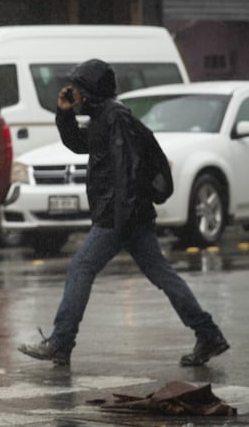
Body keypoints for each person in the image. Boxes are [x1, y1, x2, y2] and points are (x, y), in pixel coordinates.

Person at [18, 58, 229, 367]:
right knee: (162, 274)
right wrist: (64, 114)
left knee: (81, 268)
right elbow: (79, 145)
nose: (73, 92)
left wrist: (118, 219)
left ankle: (61, 342)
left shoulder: (115, 118)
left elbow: (124, 169)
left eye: (78, 88)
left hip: (121, 214)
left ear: (90, 91)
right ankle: (208, 334)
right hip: (128, 214)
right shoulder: (104, 118)